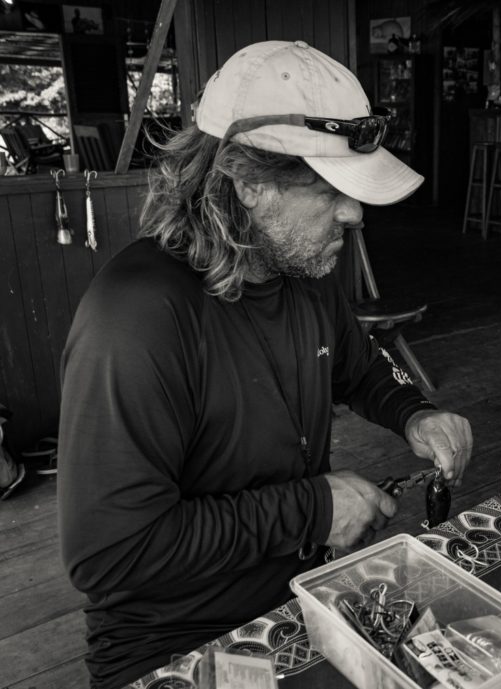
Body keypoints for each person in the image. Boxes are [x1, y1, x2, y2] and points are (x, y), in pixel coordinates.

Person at [58, 41, 473, 689]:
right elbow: (111, 555)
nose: (355, 213)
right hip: (175, 642)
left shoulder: (302, 271)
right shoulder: (138, 314)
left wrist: (412, 411)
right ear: (248, 182)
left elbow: (361, 366)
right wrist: (311, 510)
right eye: (331, 190)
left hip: (297, 598)